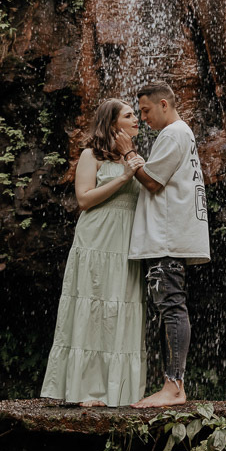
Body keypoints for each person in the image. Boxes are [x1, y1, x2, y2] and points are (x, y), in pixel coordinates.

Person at [40, 99, 147, 407]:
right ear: (113, 124)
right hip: (97, 239)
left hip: (126, 243)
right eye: (129, 115)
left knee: (121, 307)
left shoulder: (135, 156)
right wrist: (124, 177)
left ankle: (119, 392)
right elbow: (84, 199)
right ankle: (85, 391)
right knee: (94, 306)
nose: (136, 119)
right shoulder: (91, 155)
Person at [122, 81, 210, 408]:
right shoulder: (177, 134)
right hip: (168, 236)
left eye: (145, 111)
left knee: (172, 306)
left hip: (167, 237)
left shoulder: (173, 133)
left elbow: (152, 181)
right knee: (168, 307)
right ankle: (170, 385)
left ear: (163, 104)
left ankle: (174, 387)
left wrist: (127, 153)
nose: (142, 118)